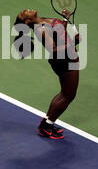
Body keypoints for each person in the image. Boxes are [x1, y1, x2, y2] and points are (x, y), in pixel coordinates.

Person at [13, 9, 80, 140]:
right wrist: (74, 42)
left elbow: (59, 33)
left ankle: (46, 123)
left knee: (64, 93)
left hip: (66, 59)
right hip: (64, 61)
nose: (24, 10)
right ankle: (47, 127)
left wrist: (65, 19)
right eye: (22, 14)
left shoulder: (42, 20)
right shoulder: (41, 30)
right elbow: (54, 50)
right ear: (27, 21)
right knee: (68, 95)